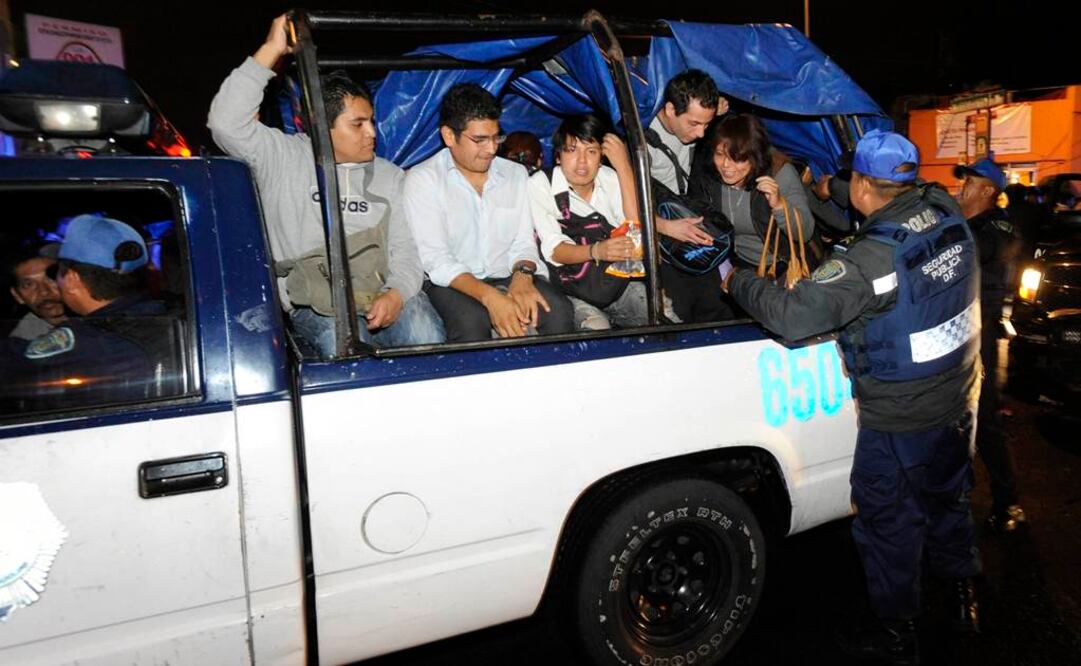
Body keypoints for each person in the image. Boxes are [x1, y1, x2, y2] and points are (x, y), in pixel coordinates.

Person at [722, 130, 982, 663]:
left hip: (898, 416)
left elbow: (793, 319)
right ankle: (963, 597)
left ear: (865, 184)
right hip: (957, 399)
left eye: (851, 181)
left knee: (889, 522)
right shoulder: (947, 212)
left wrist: (739, 282)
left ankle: (897, 632)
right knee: (948, 501)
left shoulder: (869, 260)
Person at [208, 14, 444, 356]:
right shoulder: (282, 157)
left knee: (426, 333)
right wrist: (272, 49)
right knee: (342, 346)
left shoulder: (388, 174)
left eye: (372, 122)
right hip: (313, 302)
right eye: (358, 124)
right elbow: (224, 123)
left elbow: (405, 251)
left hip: (380, 292)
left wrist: (396, 293)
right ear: (322, 127)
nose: (372, 133)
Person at [403, 83, 574, 342]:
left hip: (507, 273)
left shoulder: (515, 174)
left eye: (496, 137)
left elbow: (523, 242)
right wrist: (491, 297)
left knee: (558, 312)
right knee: (471, 323)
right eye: (479, 140)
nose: (492, 149)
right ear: (449, 136)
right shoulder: (423, 180)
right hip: (453, 283)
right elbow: (437, 260)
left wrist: (523, 277)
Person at [2, 215, 172, 407]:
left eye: (55, 273)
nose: (46, 289)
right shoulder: (163, 312)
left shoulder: (91, 342)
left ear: (72, 279)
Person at [955, 157, 1026, 533]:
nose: (962, 185)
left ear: (987, 190)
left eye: (969, 180)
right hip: (956, 337)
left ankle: (1008, 501)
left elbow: (979, 249)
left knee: (986, 424)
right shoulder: (967, 223)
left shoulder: (997, 225)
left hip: (979, 340)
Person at [527, 114, 646, 330]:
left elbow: (637, 230)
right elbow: (555, 251)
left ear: (601, 156)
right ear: (558, 156)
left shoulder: (610, 177)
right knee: (596, 330)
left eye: (591, 152)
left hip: (616, 284)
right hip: (571, 291)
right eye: (572, 151)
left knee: (660, 313)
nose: (582, 162)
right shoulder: (541, 185)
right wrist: (596, 251)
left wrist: (624, 167)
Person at [690, 113, 815, 272]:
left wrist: (778, 205)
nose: (726, 165)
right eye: (720, 155)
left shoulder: (779, 174)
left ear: (754, 157)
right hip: (734, 263)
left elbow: (805, 233)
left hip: (781, 266)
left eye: (737, 158)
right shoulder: (710, 176)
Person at [5, 243, 66, 340]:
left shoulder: (95, 315)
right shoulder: (21, 345)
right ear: (17, 296)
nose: (43, 292)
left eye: (51, 278)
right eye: (29, 284)